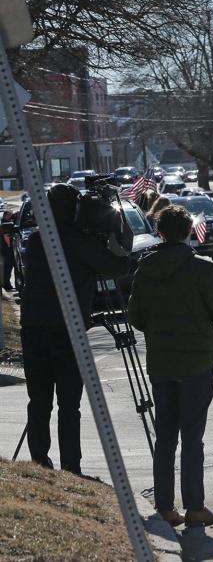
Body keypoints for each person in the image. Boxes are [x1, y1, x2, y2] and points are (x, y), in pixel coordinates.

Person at [127, 205, 213, 527]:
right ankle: (194, 508)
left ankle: (164, 507)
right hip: (197, 364)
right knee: (192, 438)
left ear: (160, 232)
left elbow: (135, 317)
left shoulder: (145, 269)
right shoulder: (202, 269)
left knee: (165, 437)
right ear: (189, 230)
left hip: (161, 363)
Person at [20, 184, 132, 475]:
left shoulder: (35, 241)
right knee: (69, 404)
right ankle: (71, 466)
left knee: (39, 400)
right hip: (67, 332)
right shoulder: (79, 243)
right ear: (75, 211)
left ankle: (39, 462)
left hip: (32, 329)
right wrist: (114, 234)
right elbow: (119, 267)